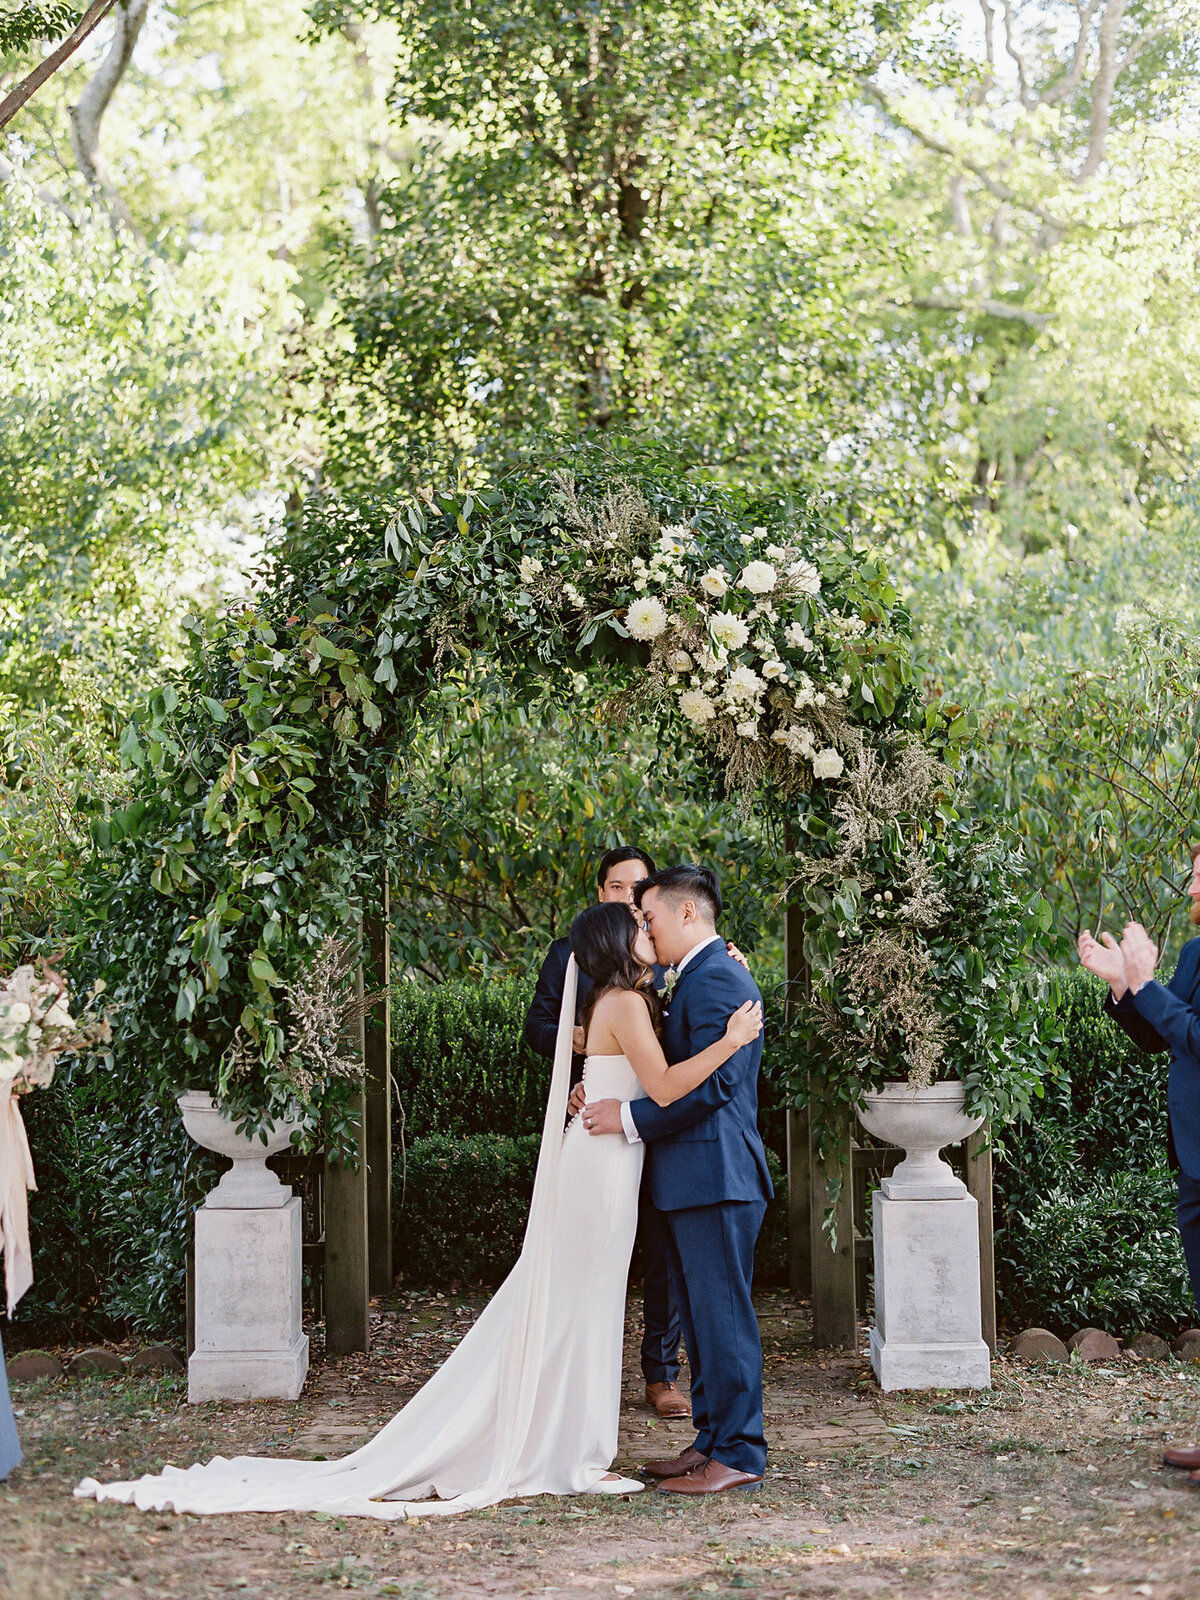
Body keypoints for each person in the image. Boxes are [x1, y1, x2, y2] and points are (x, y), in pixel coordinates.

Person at [76, 902, 762, 1520]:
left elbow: (626, 1059)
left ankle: (566, 1441)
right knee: (578, 1302)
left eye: (650, 921)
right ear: (617, 944)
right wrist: (732, 1041)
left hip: (603, 1162)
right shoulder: (626, 1005)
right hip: (601, 1171)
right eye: (637, 926)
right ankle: (564, 1449)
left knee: (578, 1302)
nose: (646, 930)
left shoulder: (627, 1000)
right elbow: (669, 1083)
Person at [582, 864, 773, 1496]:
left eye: (652, 916)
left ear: (687, 914)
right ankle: (712, 1441)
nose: (646, 927)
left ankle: (740, 1452)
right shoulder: (693, 977)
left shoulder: (718, 977)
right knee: (701, 1321)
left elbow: (718, 1085)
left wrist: (631, 1117)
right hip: (695, 1178)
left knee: (725, 1321)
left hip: (717, 1175)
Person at [524, 845, 688, 1419]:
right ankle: (564, 1399)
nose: (631, 901)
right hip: (604, 1128)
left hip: (643, 1129)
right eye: (618, 888)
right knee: (591, 1271)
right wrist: (586, 1055)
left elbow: (674, 1026)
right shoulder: (582, 956)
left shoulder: (667, 951)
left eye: (639, 889)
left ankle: (656, 1375)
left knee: (655, 1253)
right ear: (602, 894)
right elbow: (540, 1026)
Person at [1079, 844, 1200, 1479]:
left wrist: (1147, 982)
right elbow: (1159, 1031)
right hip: (1193, 1151)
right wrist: (1122, 983)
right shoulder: (1196, 951)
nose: (1193, 884)